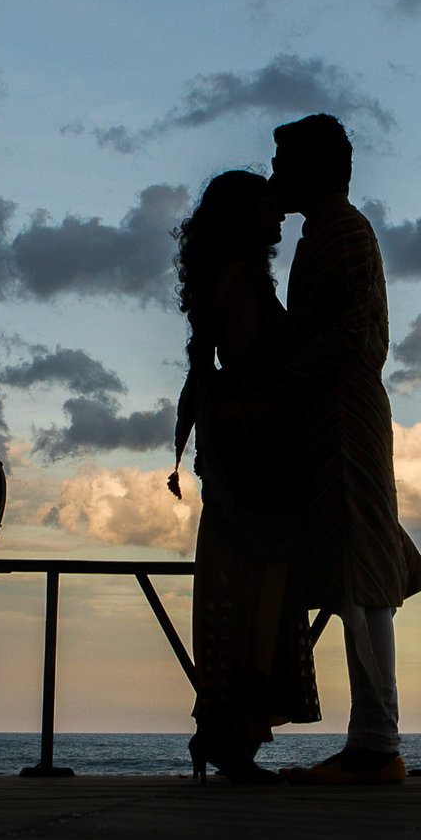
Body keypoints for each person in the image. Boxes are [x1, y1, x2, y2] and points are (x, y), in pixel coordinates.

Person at [266, 114, 421, 785]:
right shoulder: (326, 234)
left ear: (314, 169)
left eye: (285, 164)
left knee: (362, 571)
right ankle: (371, 738)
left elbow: (353, 337)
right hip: (332, 415)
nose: (276, 175)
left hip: (344, 416)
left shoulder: (344, 232)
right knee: (355, 566)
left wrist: (280, 377)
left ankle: (377, 742)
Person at [167, 170, 320, 783]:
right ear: (241, 218)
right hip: (254, 466)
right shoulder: (242, 282)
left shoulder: (227, 280)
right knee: (256, 596)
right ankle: (231, 739)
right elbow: (257, 364)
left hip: (240, 461)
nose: (278, 211)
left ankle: (226, 736)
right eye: (265, 204)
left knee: (243, 593)